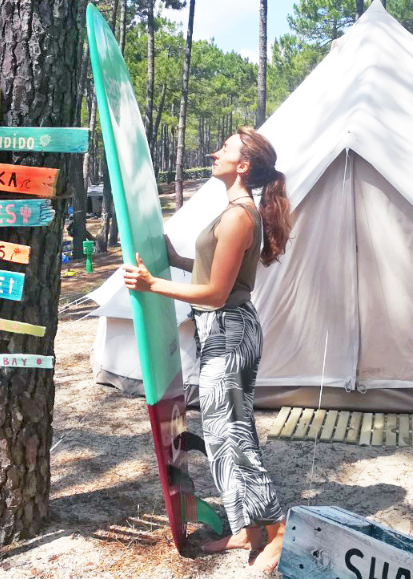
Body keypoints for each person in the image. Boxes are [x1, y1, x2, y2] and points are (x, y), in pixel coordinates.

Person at [122, 127, 291, 572]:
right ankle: (245, 530)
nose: (215, 152)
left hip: (229, 331)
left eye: (226, 149)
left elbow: (217, 293)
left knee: (231, 437)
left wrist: (152, 284)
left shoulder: (240, 214)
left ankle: (276, 531)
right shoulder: (233, 210)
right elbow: (218, 272)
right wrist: (176, 261)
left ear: (243, 166)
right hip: (224, 331)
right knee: (223, 433)